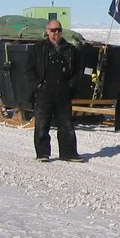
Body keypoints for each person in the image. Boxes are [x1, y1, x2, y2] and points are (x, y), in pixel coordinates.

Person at [27, 20, 83, 162]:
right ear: (47, 31)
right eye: (52, 30)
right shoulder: (38, 49)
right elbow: (28, 70)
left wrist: (71, 85)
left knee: (66, 125)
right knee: (42, 124)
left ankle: (69, 153)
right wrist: (38, 85)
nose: (55, 33)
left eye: (58, 30)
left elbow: (78, 71)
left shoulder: (70, 50)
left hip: (63, 92)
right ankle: (42, 154)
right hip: (44, 92)